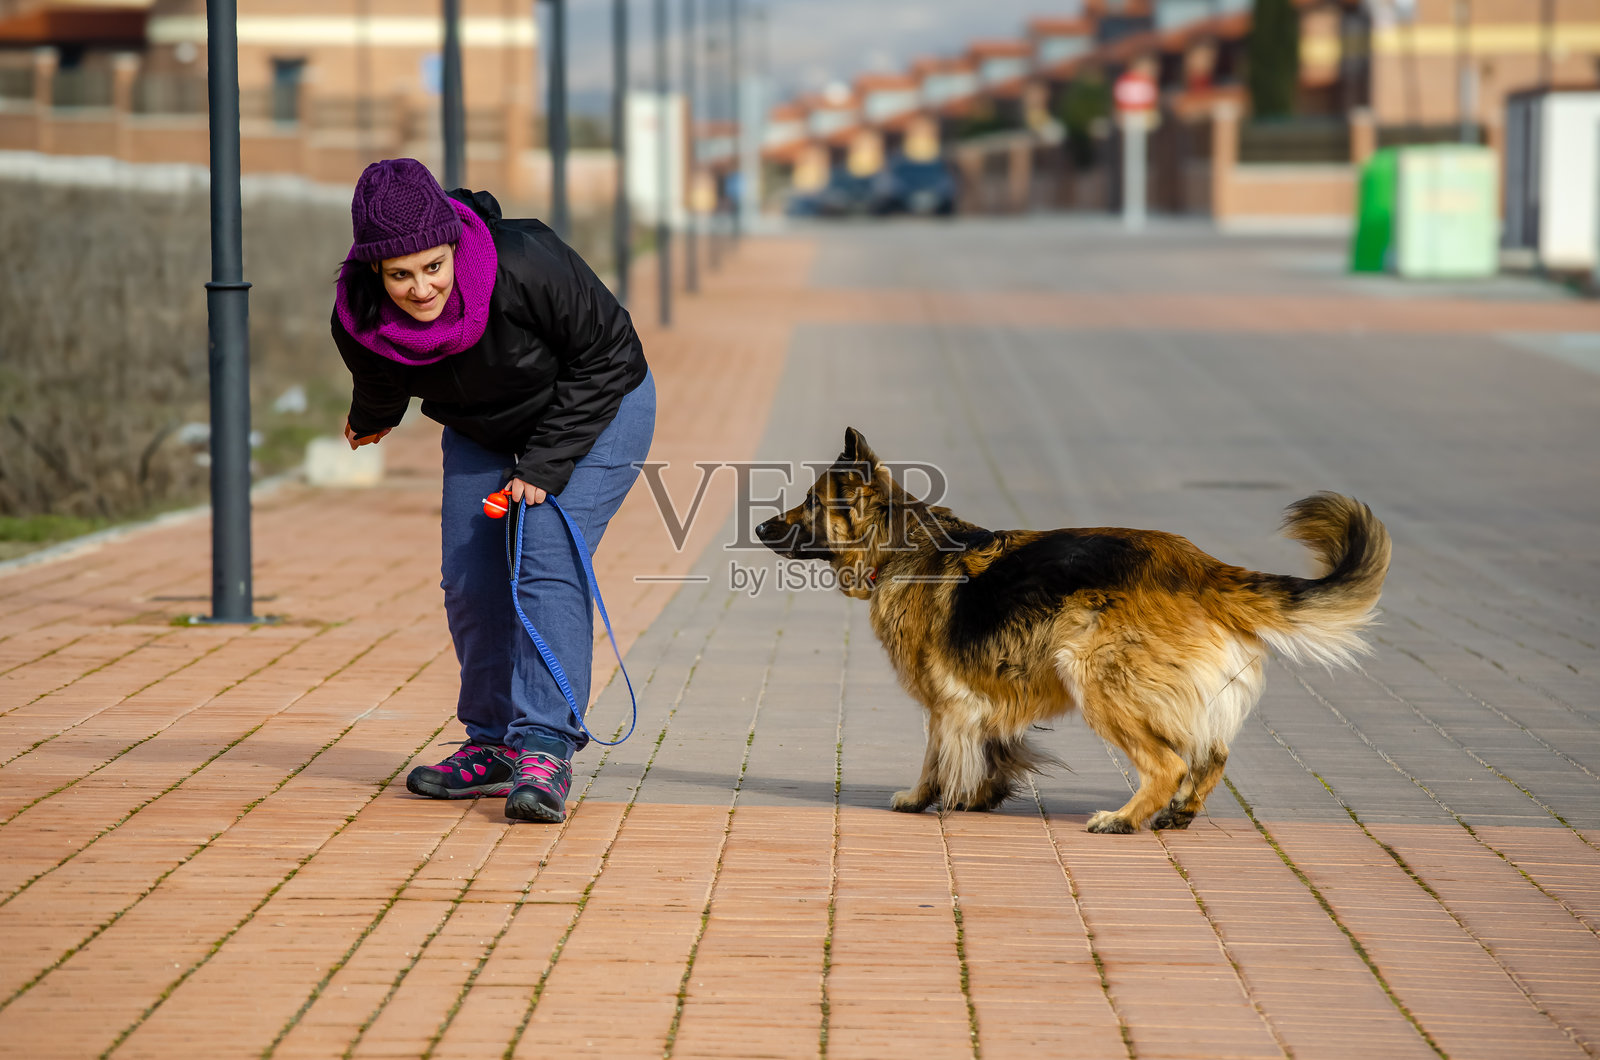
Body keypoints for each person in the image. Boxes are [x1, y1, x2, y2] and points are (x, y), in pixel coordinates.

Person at [332, 158, 653, 824]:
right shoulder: (358, 315)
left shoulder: (525, 260)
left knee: (543, 556)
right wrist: (372, 417)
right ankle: (492, 744)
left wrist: (543, 465)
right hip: (483, 427)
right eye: (399, 275)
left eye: (433, 267)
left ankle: (545, 747)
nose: (421, 288)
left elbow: (609, 357)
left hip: (597, 408)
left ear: (453, 245)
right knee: (469, 577)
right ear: (373, 272)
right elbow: (382, 370)